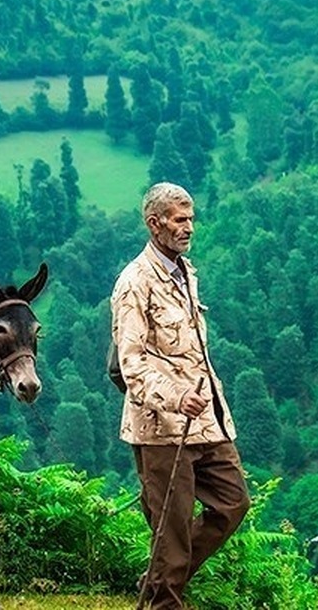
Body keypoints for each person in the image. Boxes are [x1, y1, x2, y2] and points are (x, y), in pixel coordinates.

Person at [111, 182, 250, 609]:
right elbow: (131, 362)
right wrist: (174, 397)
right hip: (161, 428)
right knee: (170, 529)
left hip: (207, 420)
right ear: (155, 225)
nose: (189, 227)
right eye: (179, 219)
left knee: (233, 503)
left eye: (191, 218)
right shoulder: (134, 283)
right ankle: (163, 599)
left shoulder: (186, 272)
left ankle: (159, 579)